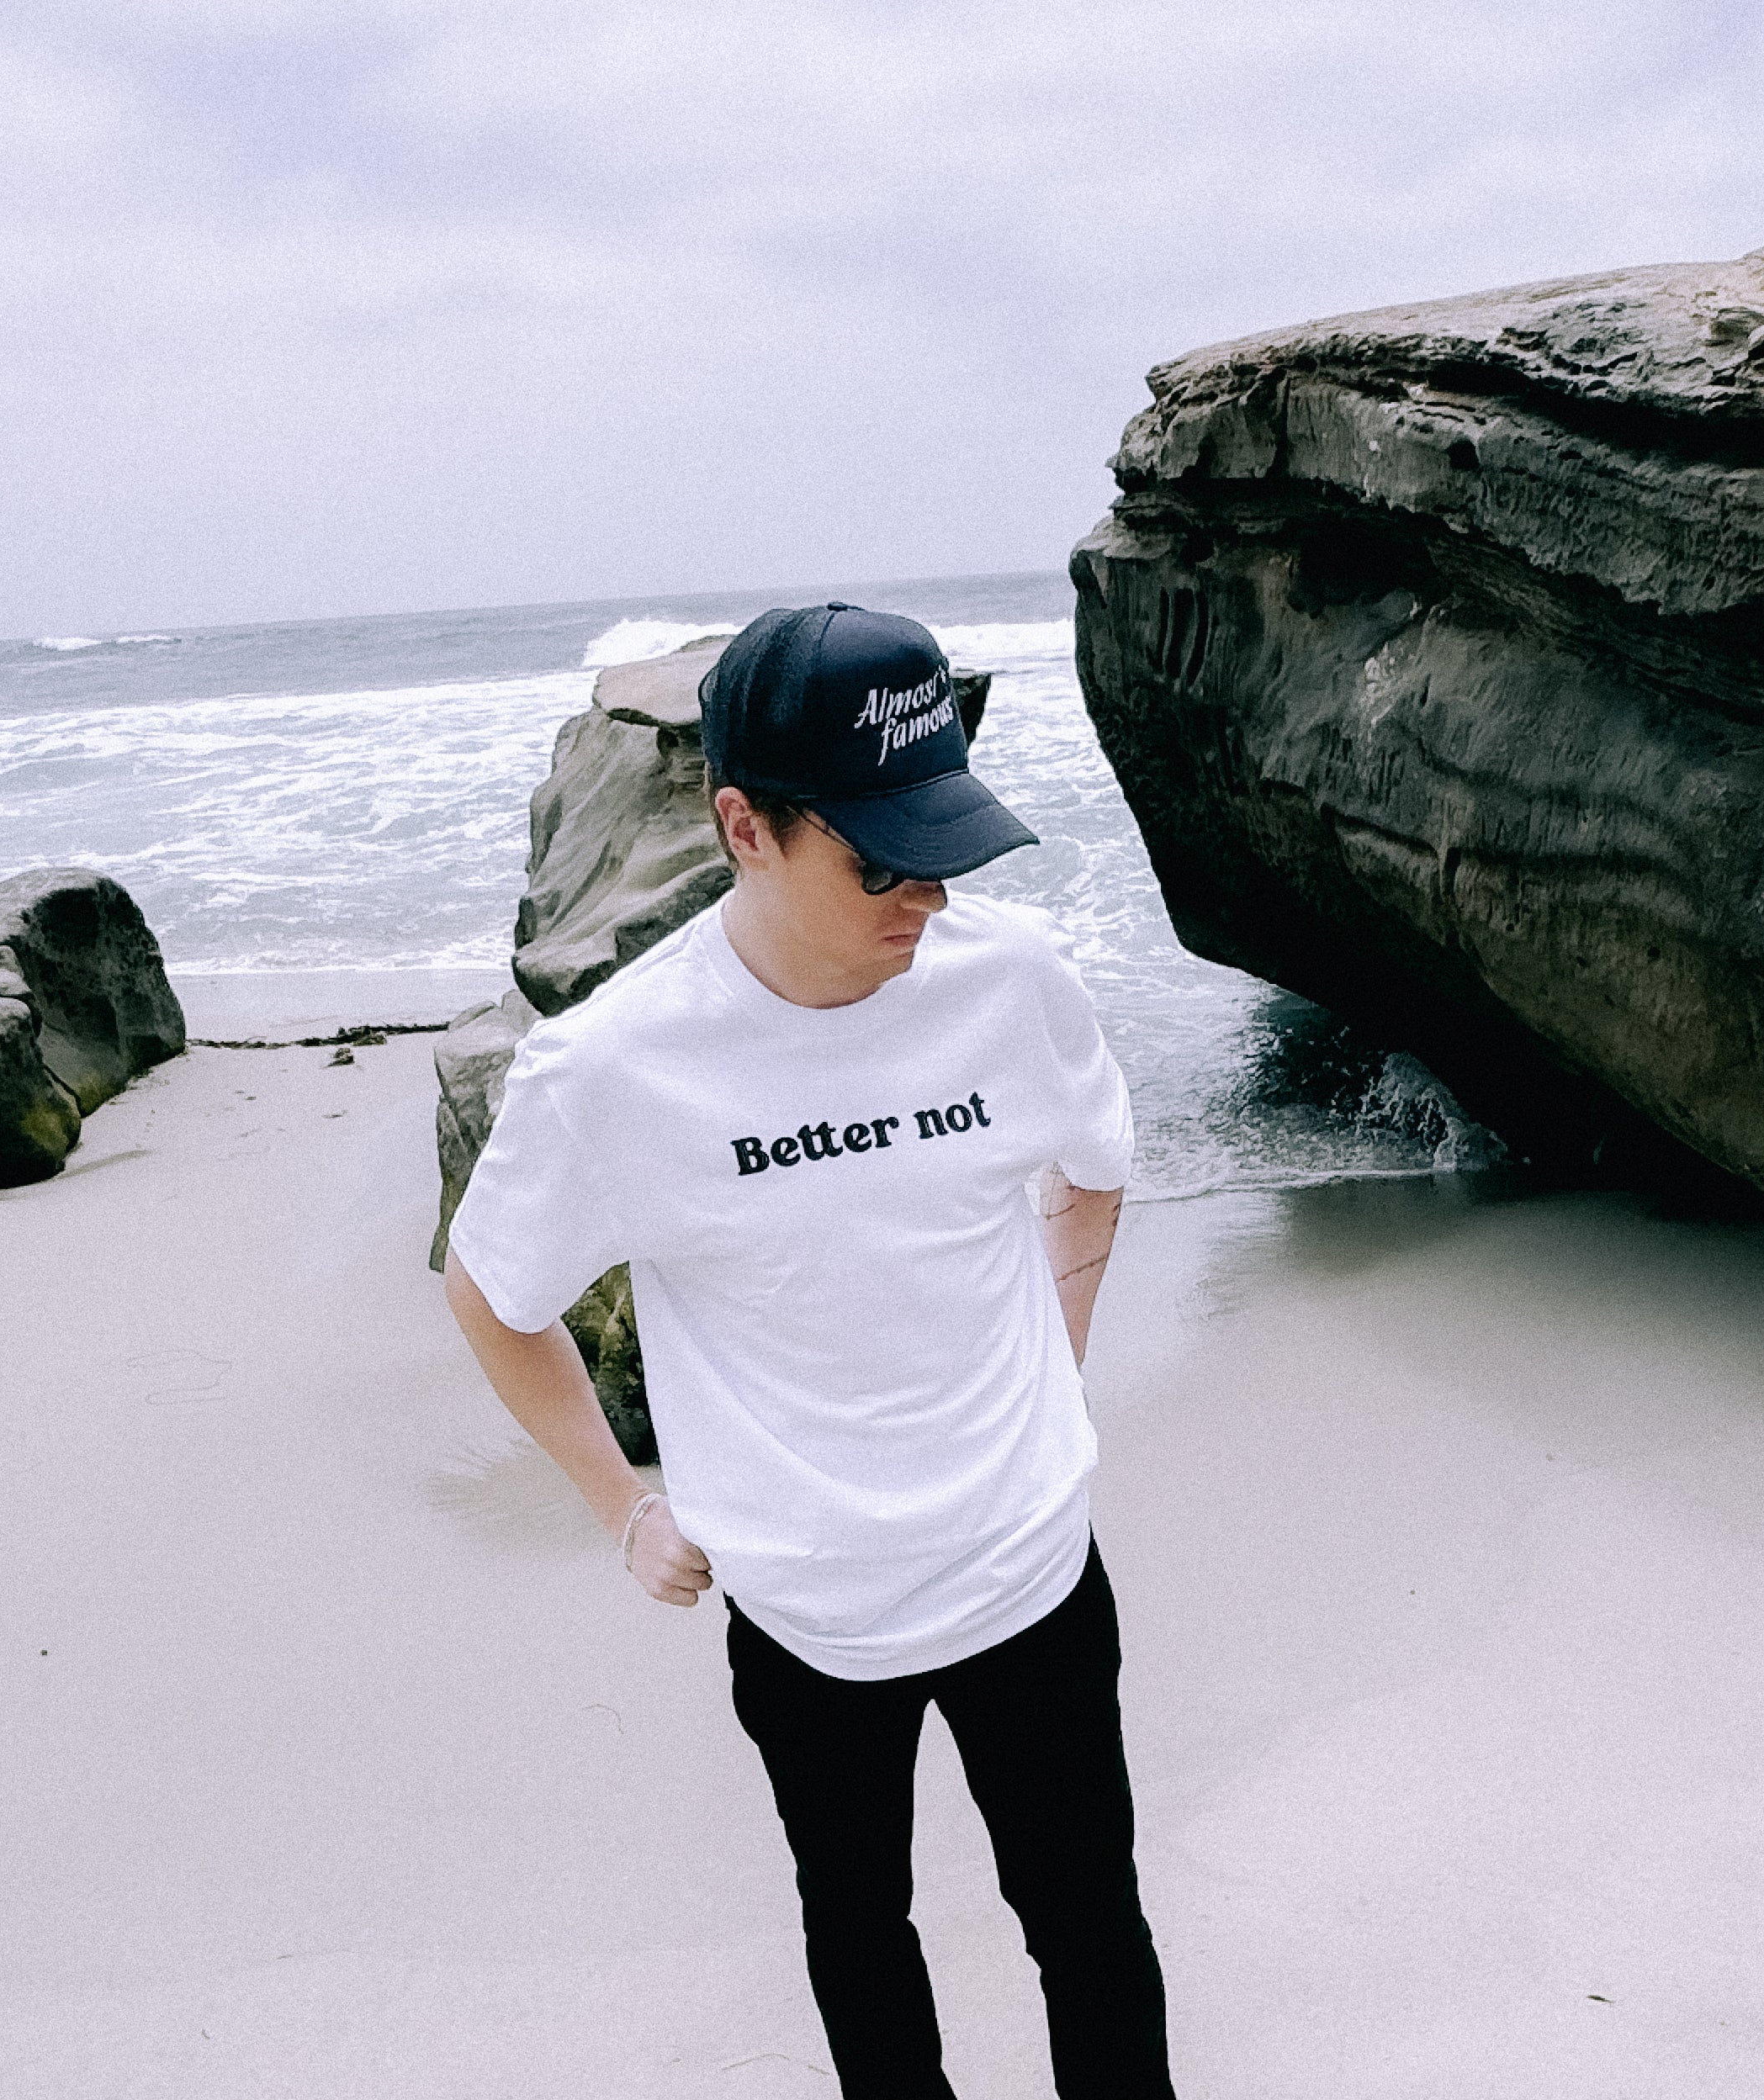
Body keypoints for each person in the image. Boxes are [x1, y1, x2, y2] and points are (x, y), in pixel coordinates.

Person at [443, 601, 1174, 2099]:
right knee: (860, 1928)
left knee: (1088, 1921)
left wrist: (1056, 1363)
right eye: (882, 856)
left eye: (947, 843)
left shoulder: (1010, 977)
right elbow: (492, 1290)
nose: (928, 893)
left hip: (1032, 1566)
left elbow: (1092, 1164)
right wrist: (622, 1506)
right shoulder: (615, 1068)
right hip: (807, 1612)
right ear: (745, 827)